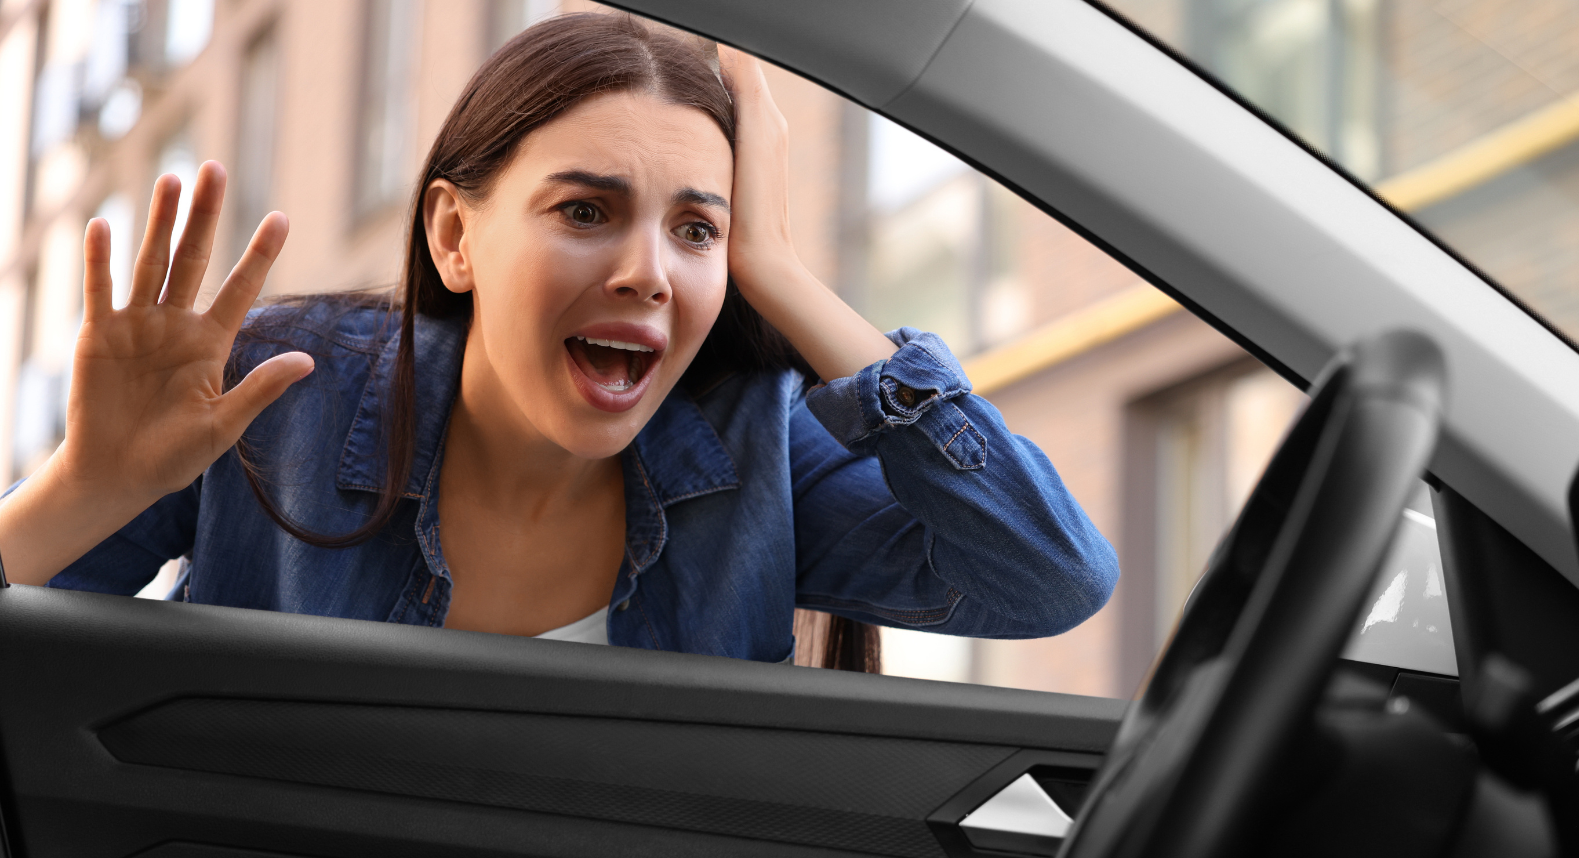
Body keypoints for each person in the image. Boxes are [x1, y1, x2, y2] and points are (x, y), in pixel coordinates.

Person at [0, 14, 1116, 667]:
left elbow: (1049, 580)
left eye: (696, 230)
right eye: (584, 212)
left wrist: (774, 272)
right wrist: (85, 489)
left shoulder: (755, 447)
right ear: (455, 235)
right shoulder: (276, 391)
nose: (646, 271)